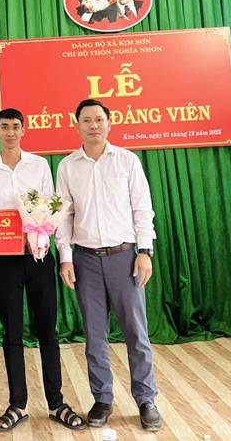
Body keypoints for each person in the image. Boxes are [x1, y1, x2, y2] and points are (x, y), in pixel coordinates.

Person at [0, 108, 86, 433]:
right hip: (5, 261)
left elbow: (52, 208)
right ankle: (17, 405)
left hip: (39, 257)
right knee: (11, 332)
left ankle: (56, 403)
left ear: (23, 130)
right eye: (4, 127)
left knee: (47, 330)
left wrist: (52, 245)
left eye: (15, 126)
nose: (10, 132)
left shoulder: (39, 166)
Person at [55, 99, 162, 432]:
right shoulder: (67, 166)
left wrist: (145, 251)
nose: (93, 125)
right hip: (85, 260)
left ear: (109, 123)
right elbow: (64, 217)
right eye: (86, 120)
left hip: (125, 258)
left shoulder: (127, 161)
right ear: (77, 125)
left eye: (99, 119)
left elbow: (142, 209)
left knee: (136, 332)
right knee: (94, 335)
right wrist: (66, 257)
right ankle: (102, 399)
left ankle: (146, 399)